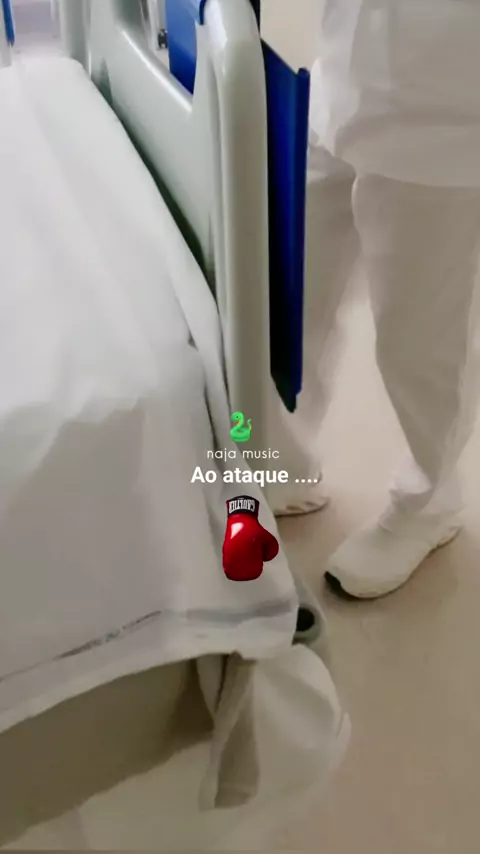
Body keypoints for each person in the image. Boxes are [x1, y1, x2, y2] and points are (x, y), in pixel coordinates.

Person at [272, 0, 480, 598]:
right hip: (340, 79)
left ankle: (428, 502)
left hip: (444, 118)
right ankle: (285, 462)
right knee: (293, 293)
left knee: (420, 342)